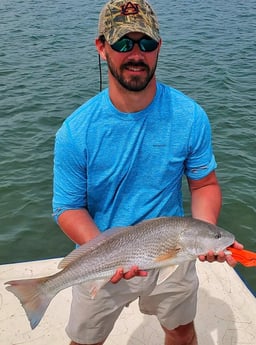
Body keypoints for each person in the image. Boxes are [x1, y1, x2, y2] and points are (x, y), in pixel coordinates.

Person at [52, 1, 243, 344]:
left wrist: (208, 234)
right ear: (101, 47)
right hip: (103, 254)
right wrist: (105, 250)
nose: (136, 54)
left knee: (182, 331)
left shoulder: (190, 116)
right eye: (123, 43)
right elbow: (67, 208)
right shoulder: (75, 131)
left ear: (159, 48)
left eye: (147, 43)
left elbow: (204, 184)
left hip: (173, 246)